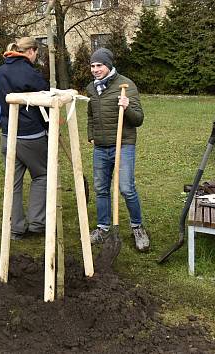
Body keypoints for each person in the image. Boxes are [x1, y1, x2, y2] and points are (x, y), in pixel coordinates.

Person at [86, 47, 150, 252]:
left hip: (123, 145)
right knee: (101, 189)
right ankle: (103, 228)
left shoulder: (126, 85)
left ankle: (137, 227)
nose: (95, 69)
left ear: (109, 65)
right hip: (101, 147)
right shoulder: (91, 88)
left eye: (99, 65)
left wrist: (127, 106)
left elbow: (138, 119)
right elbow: (90, 115)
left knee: (126, 188)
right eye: (93, 66)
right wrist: (91, 135)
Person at [0, 37, 50, 240]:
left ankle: (16, 228)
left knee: (13, 183)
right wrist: (50, 128)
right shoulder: (31, 73)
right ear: (31, 52)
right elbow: (46, 101)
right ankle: (37, 223)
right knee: (42, 175)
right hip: (31, 135)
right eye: (36, 53)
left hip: (8, 134)